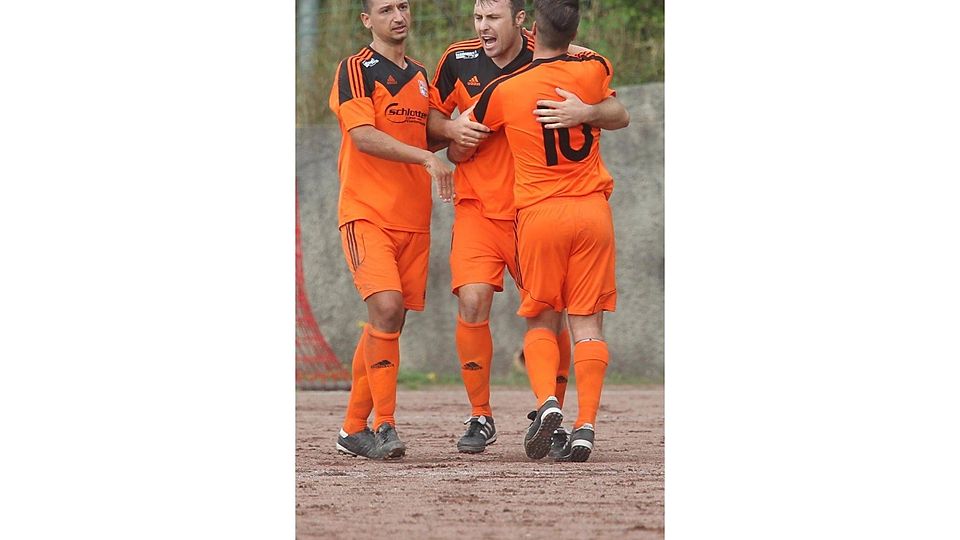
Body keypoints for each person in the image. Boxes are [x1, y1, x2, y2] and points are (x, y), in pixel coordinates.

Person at [427, 0, 628, 455]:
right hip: (502, 209)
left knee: (545, 315)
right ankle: (496, 416)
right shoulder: (590, 65)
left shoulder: (511, 85)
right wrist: (452, 132)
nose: (483, 26)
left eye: (492, 17)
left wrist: (588, 113)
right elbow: (433, 125)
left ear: (524, 22)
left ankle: (548, 406)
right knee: (556, 313)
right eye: (478, 17)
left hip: (532, 214)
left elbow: (610, 110)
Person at [329, 0, 453, 460]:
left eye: (403, 6)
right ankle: (385, 425)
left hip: (412, 220)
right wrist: (424, 157)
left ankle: (350, 430)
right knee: (386, 305)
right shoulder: (355, 70)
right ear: (368, 20)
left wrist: (460, 129)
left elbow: (433, 128)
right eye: (385, 9)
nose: (397, 16)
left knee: (389, 320)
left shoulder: (421, 75)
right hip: (367, 214)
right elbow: (362, 135)